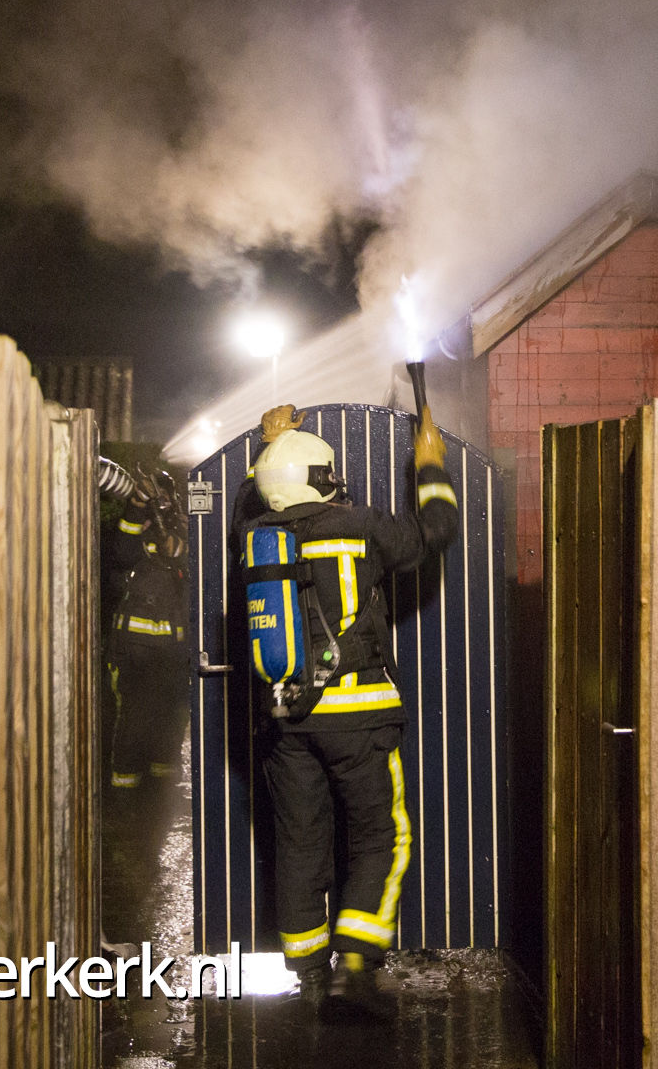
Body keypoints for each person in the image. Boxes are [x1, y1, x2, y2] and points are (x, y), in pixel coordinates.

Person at [236, 402, 457, 1016]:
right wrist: (430, 466)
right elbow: (435, 531)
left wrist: (269, 444)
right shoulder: (360, 525)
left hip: (288, 721)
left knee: (300, 841)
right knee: (381, 835)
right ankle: (356, 964)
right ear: (320, 478)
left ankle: (308, 973)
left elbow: (250, 499)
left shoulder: (253, 537)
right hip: (361, 717)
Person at [105, 474, 192, 797]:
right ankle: (125, 790)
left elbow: (199, 560)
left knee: (171, 715)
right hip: (136, 646)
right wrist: (137, 505)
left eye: (166, 497)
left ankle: (162, 786)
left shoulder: (183, 526)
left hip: (173, 646)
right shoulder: (136, 526)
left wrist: (180, 546)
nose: (163, 502)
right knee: (134, 717)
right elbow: (122, 550)